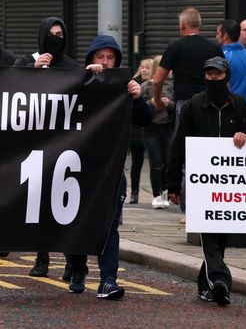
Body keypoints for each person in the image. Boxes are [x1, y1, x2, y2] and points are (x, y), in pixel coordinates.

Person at [65, 35, 152, 299]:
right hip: (79, 167)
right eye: (100, 57)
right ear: (91, 59)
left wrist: (137, 98)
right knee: (76, 220)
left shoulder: (123, 87)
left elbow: (146, 119)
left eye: (110, 57)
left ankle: (108, 279)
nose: (105, 62)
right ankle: (78, 269)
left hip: (111, 168)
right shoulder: (79, 80)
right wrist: (85, 80)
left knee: (109, 224)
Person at [167, 57, 246, 306]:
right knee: (209, 234)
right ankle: (221, 281)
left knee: (221, 235)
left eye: (218, 74)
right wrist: (172, 183)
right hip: (202, 183)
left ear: (226, 76)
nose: (213, 78)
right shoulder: (194, 105)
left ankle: (204, 286)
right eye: (209, 74)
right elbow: (179, 144)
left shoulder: (239, 104)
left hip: (231, 184)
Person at [15, 16, 79, 277]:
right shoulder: (25, 62)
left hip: (64, 145)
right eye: (51, 34)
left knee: (64, 206)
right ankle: (41, 259)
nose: (56, 38)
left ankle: (69, 261)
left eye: (60, 34)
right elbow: (9, 87)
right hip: (34, 145)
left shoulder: (73, 67)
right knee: (39, 204)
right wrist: (34, 69)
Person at [150, 7, 224, 137]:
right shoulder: (215, 48)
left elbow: (157, 80)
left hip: (185, 104)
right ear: (200, 25)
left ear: (182, 25)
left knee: (183, 148)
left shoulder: (175, 47)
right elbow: (225, 80)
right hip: (210, 103)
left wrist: (157, 100)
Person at [139, 56, 174, 209]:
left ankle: (166, 191)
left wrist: (169, 104)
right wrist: (152, 103)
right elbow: (140, 107)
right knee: (156, 163)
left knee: (168, 162)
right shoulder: (146, 86)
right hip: (151, 129)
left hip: (168, 128)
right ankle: (156, 194)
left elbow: (179, 106)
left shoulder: (174, 86)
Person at [217, 19, 246, 107]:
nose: (216, 37)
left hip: (232, 111)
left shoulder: (223, 58)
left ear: (225, 36)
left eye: (218, 33)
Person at [128, 59, 149, 205]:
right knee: (136, 162)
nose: (144, 70)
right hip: (135, 131)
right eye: (142, 67)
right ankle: (134, 192)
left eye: (147, 68)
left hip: (150, 128)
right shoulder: (133, 84)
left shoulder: (156, 85)